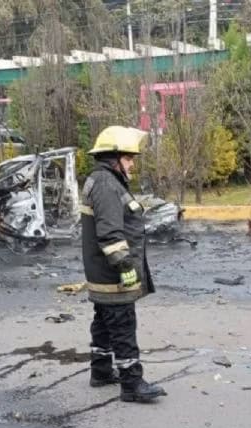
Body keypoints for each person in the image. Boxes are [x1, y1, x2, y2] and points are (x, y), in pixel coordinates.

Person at [81, 126, 166, 403]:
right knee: (122, 324)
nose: (132, 164)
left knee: (105, 322)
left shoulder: (105, 180)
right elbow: (110, 233)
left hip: (100, 272)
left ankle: (102, 371)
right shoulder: (106, 184)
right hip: (111, 274)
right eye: (129, 159)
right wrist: (125, 266)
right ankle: (132, 384)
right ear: (114, 158)